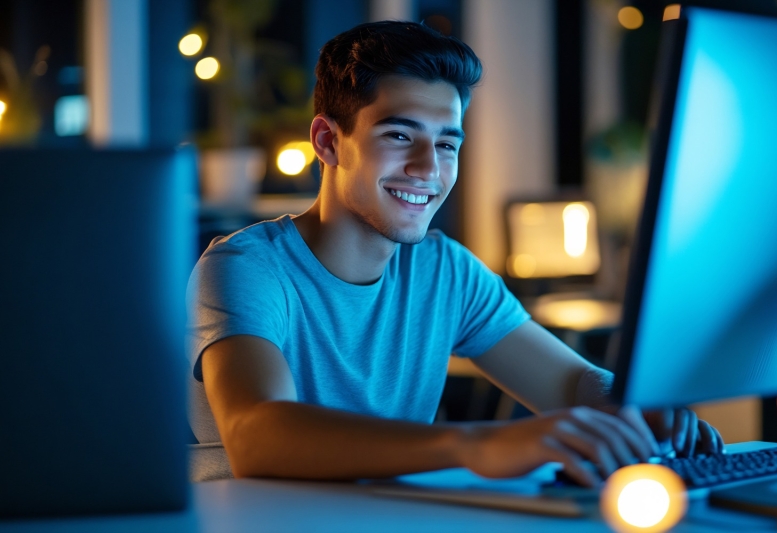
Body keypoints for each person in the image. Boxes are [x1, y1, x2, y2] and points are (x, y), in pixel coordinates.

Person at [187, 20, 723, 485]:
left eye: (447, 144)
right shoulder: (247, 267)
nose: (429, 168)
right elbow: (256, 436)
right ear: (328, 142)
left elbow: (571, 383)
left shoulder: (445, 271)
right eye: (400, 136)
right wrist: (472, 445)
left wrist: (632, 408)